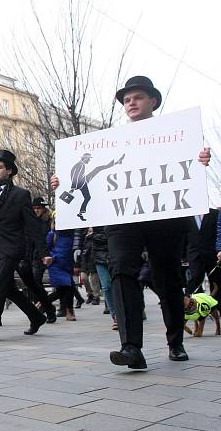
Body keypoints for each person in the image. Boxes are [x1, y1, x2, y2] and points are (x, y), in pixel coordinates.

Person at [51, 75, 211, 369]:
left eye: (137, 97)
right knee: (122, 272)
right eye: (126, 100)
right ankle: (131, 347)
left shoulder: (175, 134)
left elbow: (187, 168)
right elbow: (94, 176)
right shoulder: (109, 142)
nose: (131, 103)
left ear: (153, 101)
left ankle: (175, 341)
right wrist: (62, 182)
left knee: (168, 278)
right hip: (122, 218)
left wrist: (200, 160)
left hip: (164, 216)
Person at [0, 149, 51, 344]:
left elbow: (33, 226)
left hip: (12, 248)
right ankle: (36, 316)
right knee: (7, 289)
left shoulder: (21, 195)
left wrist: (43, 252)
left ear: (10, 171)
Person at [46, 213, 77, 321]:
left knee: (65, 290)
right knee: (67, 288)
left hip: (67, 265)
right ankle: (69, 312)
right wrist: (53, 257)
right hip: (56, 265)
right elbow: (47, 249)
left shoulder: (72, 234)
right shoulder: (52, 234)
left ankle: (41, 303)